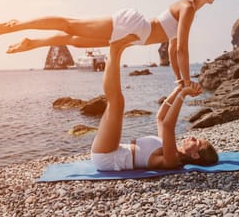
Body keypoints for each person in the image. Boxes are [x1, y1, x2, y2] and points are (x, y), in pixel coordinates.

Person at [0, 0, 218, 88]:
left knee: (74, 40)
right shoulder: (187, 8)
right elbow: (182, 50)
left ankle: (34, 42)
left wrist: (179, 80)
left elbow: (172, 47)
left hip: (135, 36)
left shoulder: (188, 9)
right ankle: (19, 25)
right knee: (71, 25)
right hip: (134, 27)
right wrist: (187, 82)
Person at [91, 34, 218, 171]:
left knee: (116, 102)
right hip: (114, 150)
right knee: (117, 102)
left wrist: (184, 94)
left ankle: (114, 49)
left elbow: (169, 125)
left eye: (197, 142)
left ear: (195, 156)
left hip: (108, 158)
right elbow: (161, 117)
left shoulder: (173, 159)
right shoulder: (171, 147)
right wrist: (178, 90)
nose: (193, 137)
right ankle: (117, 49)